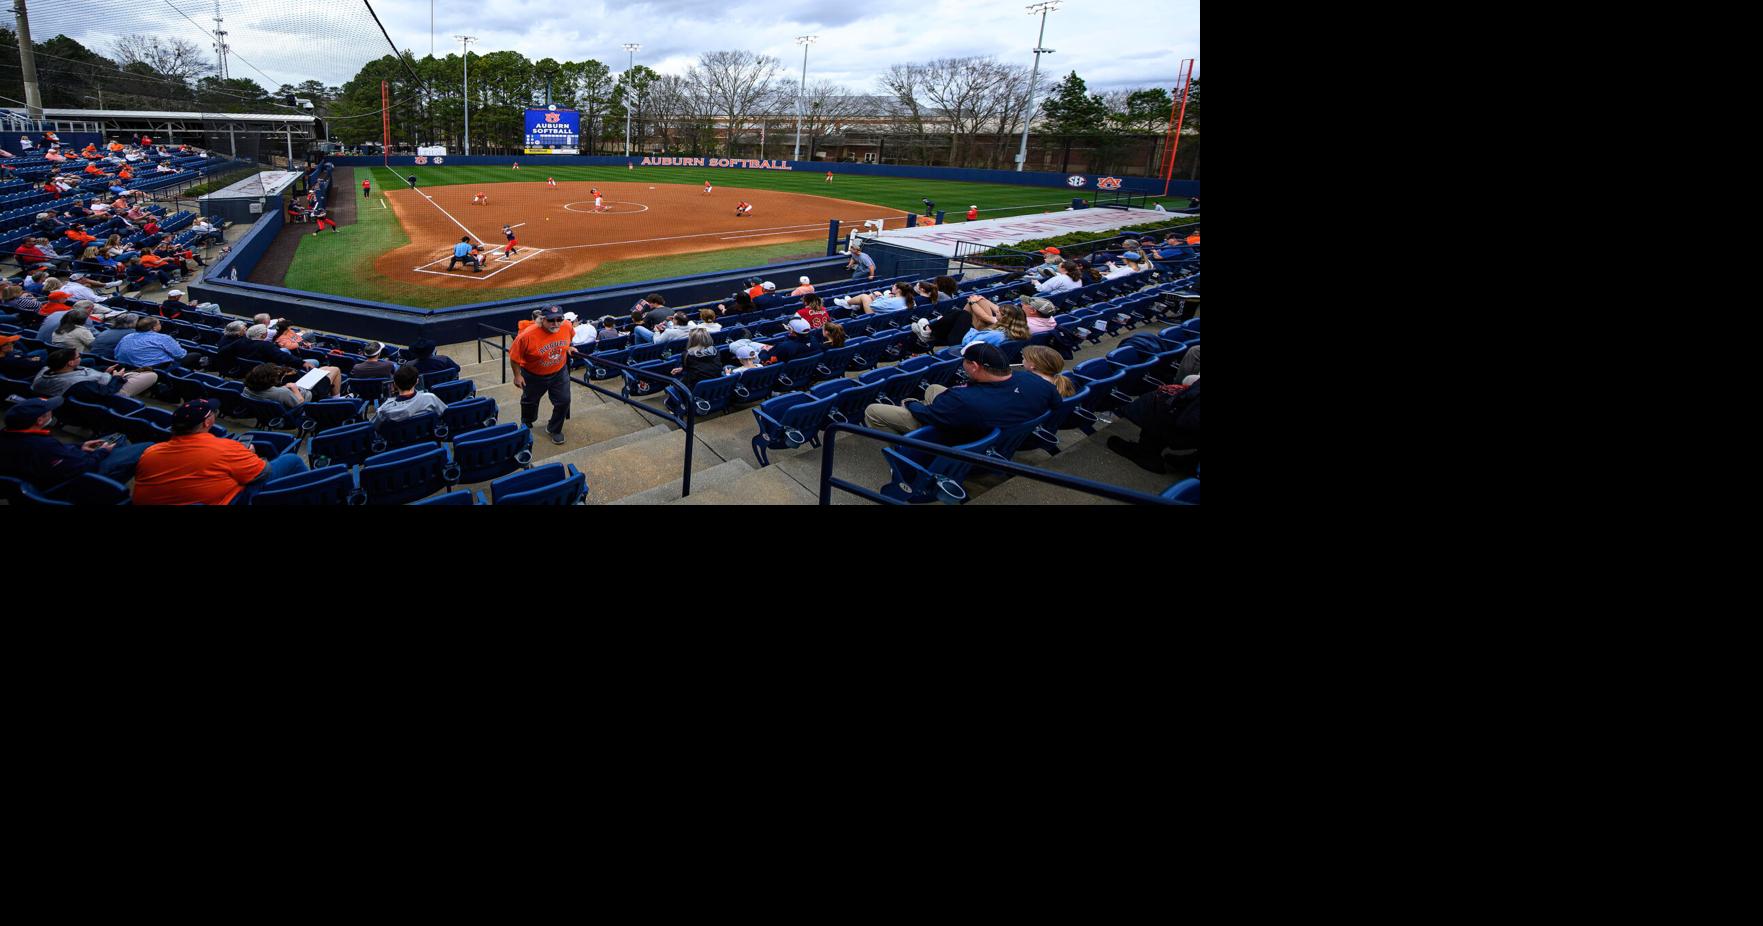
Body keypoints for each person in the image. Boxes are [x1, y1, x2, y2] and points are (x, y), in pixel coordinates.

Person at [862, 342, 1060, 439]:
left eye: (965, 361)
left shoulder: (964, 400)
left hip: (958, 434)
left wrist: (910, 404)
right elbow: (1057, 405)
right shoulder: (1037, 382)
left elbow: (928, 413)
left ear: (974, 366)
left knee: (873, 410)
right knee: (933, 389)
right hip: (987, 423)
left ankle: (903, 449)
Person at [132, 399, 307, 505]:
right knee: (292, 460)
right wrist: (249, 455)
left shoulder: (150, 452)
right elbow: (263, 473)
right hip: (233, 501)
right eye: (212, 413)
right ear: (207, 423)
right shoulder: (225, 448)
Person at [0, 398, 151, 488]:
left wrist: (79, 446)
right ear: (39, 420)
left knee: (119, 437)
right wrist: (101, 453)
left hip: (61, 463)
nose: (52, 412)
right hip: (77, 478)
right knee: (146, 446)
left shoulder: (9, 435)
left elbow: (56, 456)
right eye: (49, 410)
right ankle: (106, 486)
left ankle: (112, 479)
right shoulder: (42, 446)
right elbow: (81, 467)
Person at [510, 305, 578, 445]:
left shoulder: (566, 326)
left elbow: (567, 339)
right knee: (530, 401)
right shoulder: (526, 335)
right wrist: (517, 376)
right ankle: (527, 422)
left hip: (559, 372)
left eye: (559, 319)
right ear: (542, 320)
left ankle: (554, 428)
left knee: (564, 401)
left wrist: (568, 348)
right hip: (533, 375)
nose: (556, 323)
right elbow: (514, 357)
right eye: (551, 320)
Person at [1107, 379, 1200, 474]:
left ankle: (1147, 453)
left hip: (1181, 425)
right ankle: (1191, 461)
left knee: (1161, 403)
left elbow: (1187, 421)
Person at [32, 348, 158, 399]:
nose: (80, 357)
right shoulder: (76, 384)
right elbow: (105, 392)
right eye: (78, 356)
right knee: (152, 375)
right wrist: (116, 378)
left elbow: (81, 372)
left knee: (135, 372)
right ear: (70, 363)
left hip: (103, 380)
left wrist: (104, 371)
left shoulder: (46, 370)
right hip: (114, 390)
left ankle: (131, 374)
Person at [372, 363, 448, 424]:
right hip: (429, 440)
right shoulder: (430, 398)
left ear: (395, 384)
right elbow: (444, 414)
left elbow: (373, 427)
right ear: (417, 381)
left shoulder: (383, 409)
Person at [114, 317, 189, 370]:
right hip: (153, 369)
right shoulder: (163, 338)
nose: (160, 325)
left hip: (128, 367)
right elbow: (180, 355)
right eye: (159, 323)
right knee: (195, 355)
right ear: (154, 328)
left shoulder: (127, 337)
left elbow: (116, 353)